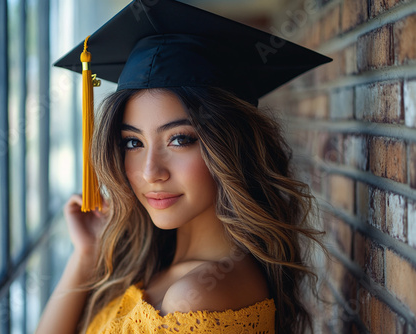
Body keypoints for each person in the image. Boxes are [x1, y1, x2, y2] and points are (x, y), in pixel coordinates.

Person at [36, 0, 331, 333]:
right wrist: (87, 254)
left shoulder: (198, 296)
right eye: (133, 142)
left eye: (179, 139)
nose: (150, 172)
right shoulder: (154, 266)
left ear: (231, 147)